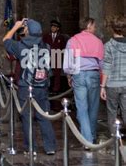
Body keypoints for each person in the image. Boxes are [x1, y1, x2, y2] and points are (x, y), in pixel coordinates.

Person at [3, 18, 56, 155]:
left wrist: (15, 27)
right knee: (44, 116)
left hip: (26, 86)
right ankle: (50, 146)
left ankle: (31, 147)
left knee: (27, 117)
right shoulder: (47, 47)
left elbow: (5, 40)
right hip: (42, 85)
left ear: (28, 31)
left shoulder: (20, 46)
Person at [63, 17, 104, 145]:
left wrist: (69, 76)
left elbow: (67, 63)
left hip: (78, 74)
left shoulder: (72, 40)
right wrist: (103, 80)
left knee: (82, 108)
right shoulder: (98, 42)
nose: (95, 28)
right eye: (94, 26)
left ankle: (87, 139)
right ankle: (90, 136)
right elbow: (102, 63)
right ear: (88, 26)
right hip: (94, 74)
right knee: (93, 107)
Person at [100, 16, 126, 134]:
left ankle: (114, 140)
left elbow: (106, 67)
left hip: (112, 84)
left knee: (112, 112)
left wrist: (102, 86)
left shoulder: (108, 46)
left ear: (112, 29)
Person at [42, 19, 68, 94]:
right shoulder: (46, 36)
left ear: (58, 28)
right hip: (48, 57)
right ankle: (46, 87)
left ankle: (56, 89)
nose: (52, 28)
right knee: (46, 72)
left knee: (57, 74)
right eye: (52, 27)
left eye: (54, 27)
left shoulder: (61, 37)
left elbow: (63, 48)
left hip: (57, 57)